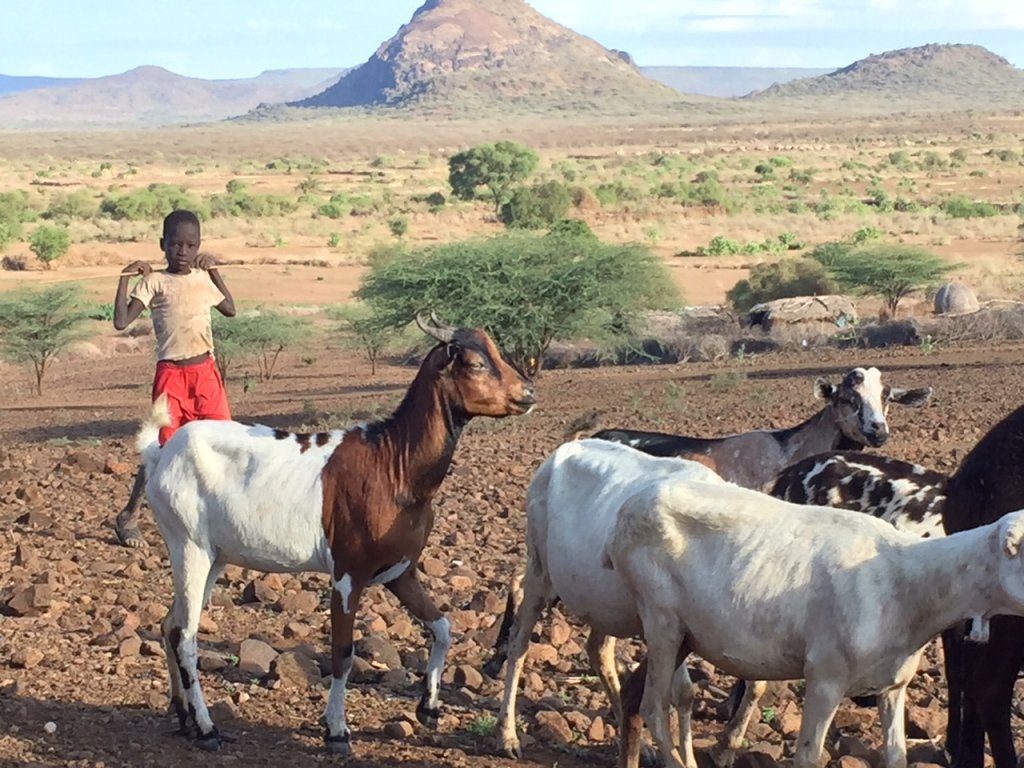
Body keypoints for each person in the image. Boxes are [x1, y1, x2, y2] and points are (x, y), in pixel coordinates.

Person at [112, 209, 236, 547]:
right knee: (163, 448)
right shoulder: (154, 281)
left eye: (191, 245)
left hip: (206, 372)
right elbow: (121, 322)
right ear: (162, 244)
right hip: (171, 376)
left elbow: (230, 310)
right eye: (175, 244)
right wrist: (125, 277)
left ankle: (219, 518)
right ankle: (129, 516)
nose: (183, 251)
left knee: (223, 441)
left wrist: (215, 271)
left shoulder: (202, 278)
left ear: (199, 246)